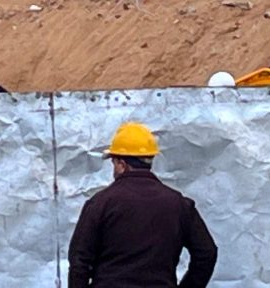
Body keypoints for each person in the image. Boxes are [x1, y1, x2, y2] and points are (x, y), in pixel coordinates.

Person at [67, 121, 217, 288]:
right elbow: (207, 253)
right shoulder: (179, 204)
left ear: (121, 164)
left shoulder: (100, 203)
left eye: (113, 163)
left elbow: (79, 262)